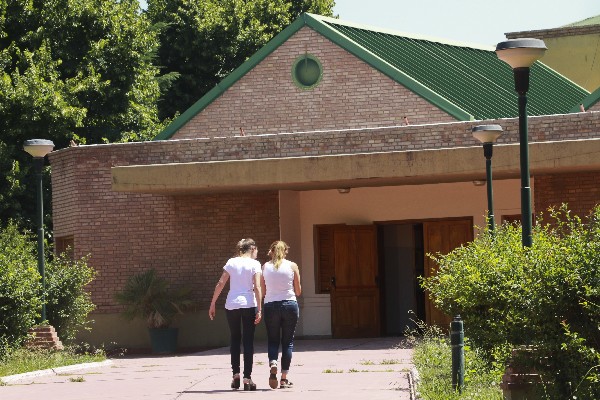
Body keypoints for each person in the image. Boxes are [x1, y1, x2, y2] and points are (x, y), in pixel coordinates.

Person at [209, 238, 262, 391]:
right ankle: (247, 378)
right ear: (252, 248)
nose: (257, 252)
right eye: (256, 249)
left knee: (234, 338)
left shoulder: (231, 262)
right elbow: (257, 287)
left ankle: (235, 375)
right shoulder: (255, 264)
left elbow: (221, 283)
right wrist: (260, 308)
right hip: (248, 304)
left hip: (232, 304)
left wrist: (213, 303)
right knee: (248, 341)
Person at [261, 240, 302, 389]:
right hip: (289, 305)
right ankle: (284, 378)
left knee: (273, 340)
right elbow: (298, 291)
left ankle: (273, 362)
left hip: (271, 305)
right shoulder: (292, 266)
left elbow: (263, 292)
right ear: (285, 251)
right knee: (288, 342)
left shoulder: (265, 267)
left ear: (271, 251)